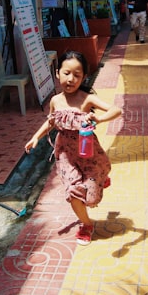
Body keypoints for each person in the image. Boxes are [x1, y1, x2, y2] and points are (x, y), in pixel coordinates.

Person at [25, 50, 122, 245]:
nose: (71, 79)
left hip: (89, 153)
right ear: (57, 73)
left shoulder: (87, 99)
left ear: (84, 77)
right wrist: (36, 137)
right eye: (67, 73)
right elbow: (51, 122)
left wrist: (100, 118)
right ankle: (86, 225)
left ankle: (100, 177)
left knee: (92, 198)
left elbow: (116, 110)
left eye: (77, 75)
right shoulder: (55, 101)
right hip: (66, 155)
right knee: (74, 192)